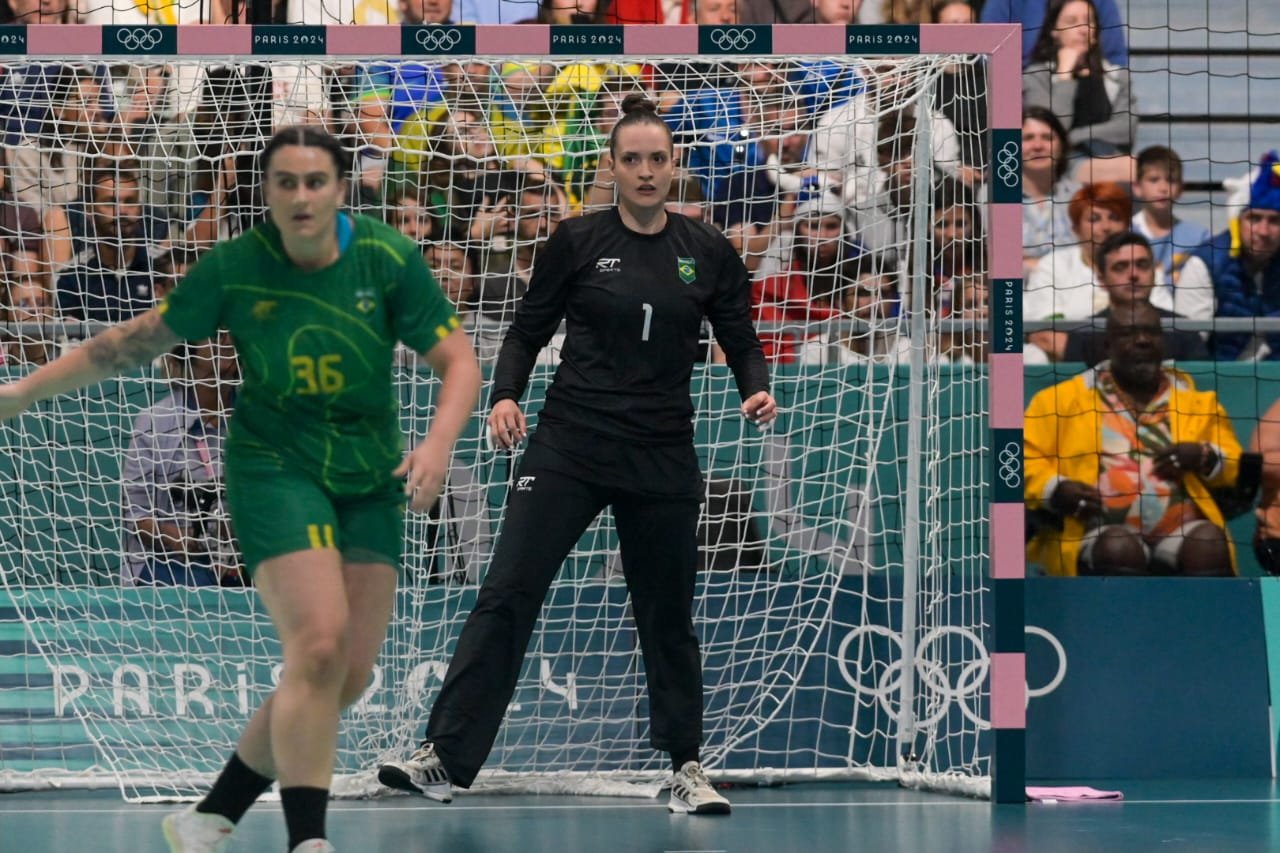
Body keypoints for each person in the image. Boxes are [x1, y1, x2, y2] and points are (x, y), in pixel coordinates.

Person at [0, 125, 482, 853]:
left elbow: (461, 362)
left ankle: (209, 816)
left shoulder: (388, 259)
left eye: (315, 181)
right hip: (273, 470)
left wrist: (439, 443)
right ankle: (308, 839)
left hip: (367, 476)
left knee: (343, 675)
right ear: (265, 192)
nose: (300, 196)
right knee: (317, 645)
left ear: (341, 189)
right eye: (284, 182)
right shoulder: (235, 267)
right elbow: (125, 343)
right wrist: (20, 393)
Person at [377, 94, 777, 815]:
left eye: (658, 159)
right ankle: (446, 754)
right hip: (570, 443)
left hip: (660, 452)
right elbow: (527, 330)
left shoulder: (706, 250)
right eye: (632, 160)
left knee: (667, 612)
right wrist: (504, 395)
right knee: (507, 590)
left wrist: (754, 387)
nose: (647, 171)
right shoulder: (576, 240)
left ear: (672, 164)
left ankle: (686, 765)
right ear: (613, 167)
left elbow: (741, 335)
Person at [1024, 300, 1242, 577]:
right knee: (1119, 547)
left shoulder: (1198, 402)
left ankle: (1207, 622)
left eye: (1151, 332)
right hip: (1094, 530)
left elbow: (1234, 462)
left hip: (1180, 530)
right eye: (1128, 333)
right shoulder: (1059, 401)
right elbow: (1022, 461)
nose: (1142, 340)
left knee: (1208, 544)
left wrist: (1203, 455)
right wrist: (1056, 489)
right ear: (1107, 346)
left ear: (1163, 342)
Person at [121, 334, 242, 587]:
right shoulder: (154, 422)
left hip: (246, 558)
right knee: (199, 585)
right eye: (214, 333)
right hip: (171, 562)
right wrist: (182, 540)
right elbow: (136, 517)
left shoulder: (259, 420)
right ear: (188, 348)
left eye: (231, 331)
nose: (226, 340)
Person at [1021, 0, 1137, 183]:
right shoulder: (1036, 76)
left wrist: (1076, 135)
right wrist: (1065, 75)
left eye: (1089, 21)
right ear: (1054, 31)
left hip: (1107, 158)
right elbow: (1050, 129)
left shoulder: (1116, 77)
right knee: (1130, 169)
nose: (1083, 29)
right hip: (1060, 166)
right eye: (1072, 21)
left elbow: (1126, 128)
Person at [1180, 150, 1280, 361]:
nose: (1263, 231)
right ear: (1236, 221)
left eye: (1274, 221)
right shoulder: (1204, 263)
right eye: (1254, 219)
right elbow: (1191, 345)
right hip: (1221, 378)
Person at [1062, 231, 1208, 367]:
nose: (1133, 274)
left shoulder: (1182, 329)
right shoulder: (1084, 334)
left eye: (1142, 265)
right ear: (1101, 280)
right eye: (1120, 267)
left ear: (1154, 273)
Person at [1130, 145, 1210, 289]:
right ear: (1137, 187)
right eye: (1154, 180)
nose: (1163, 188)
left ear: (1181, 189)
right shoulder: (1123, 235)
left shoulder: (1198, 238)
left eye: (1171, 180)